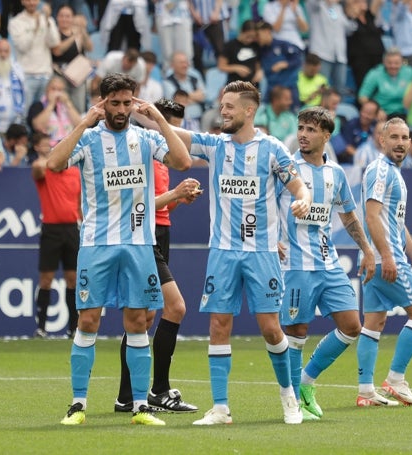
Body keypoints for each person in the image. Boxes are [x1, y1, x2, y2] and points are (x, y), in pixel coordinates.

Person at [47, 73, 192, 426]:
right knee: (89, 319)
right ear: (103, 103)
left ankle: (140, 406)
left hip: (139, 244)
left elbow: (183, 161)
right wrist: (83, 122)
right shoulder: (90, 139)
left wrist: (158, 118)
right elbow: (53, 163)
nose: (122, 109)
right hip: (97, 243)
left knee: (137, 321)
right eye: (115, 103)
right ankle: (78, 404)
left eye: (128, 103)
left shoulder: (144, 138)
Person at [170, 80, 312, 425]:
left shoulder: (273, 149)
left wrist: (304, 200)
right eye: (222, 107)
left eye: (230, 107)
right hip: (222, 251)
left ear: (249, 111)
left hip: (261, 252)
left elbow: (298, 185)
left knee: (270, 328)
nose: (223, 112)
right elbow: (177, 138)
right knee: (218, 324)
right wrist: (151, 117)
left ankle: (288, 397)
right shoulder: (216, 145)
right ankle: (220, 408)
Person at [278, 106, 375, 421]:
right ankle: (292, 402)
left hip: (328, 262)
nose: (303, 135)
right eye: (301, 128)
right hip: (295, 264)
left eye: (310, 129)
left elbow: (348, 216)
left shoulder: (335, 173)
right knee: (296, 333)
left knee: (351, 326)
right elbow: (262, 204)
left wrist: (368, 250)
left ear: (326, 135)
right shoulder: (286, 168)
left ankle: (306, 383)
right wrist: (271, 240)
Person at [115, 98, 200, 414]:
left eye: (177, 127)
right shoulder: (143, 152)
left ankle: (127, 396)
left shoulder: (163, 158)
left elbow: (159, 204)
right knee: (175, 307)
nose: (175, 134)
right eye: (170, 125)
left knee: (145, 318)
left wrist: (179, 199)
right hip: (143, 237)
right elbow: (140, 203)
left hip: (160, 233)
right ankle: (158, 390)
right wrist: (175, 194)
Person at [356, 117, 412, 407]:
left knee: (374, 321)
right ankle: (396, 380)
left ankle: (365, 391)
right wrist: (388, 256)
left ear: (410, 143)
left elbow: (395, 223)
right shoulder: (381, 171)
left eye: (405, 138)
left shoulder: (392, 173)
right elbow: (371, 216)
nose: (400, 143)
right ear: (381, 140)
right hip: (386, 259)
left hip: (379, 258)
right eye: (394, 137)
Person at [31, 131, 81, 338]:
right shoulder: (46, 171)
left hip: (71, 228)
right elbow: (37, 168)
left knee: (73, 279)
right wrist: (47, 152)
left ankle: (73, 328)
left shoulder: (75, 172)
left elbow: (79, 203)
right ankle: (41, 328)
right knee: (46, 279)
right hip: (51, 229)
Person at [8, 0, 60, 112]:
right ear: (22, 2)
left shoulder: (47, 19)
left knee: (44, 114)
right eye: (28, 0)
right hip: (26, 75)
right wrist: (35, 28)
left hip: (46, 75)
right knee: (23, 113)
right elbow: (23, 46)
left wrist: (46, 21)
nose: (32, 3)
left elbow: (55, 43)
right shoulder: (16, 22)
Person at [51, 5, 93, 113]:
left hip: (77, 76)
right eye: (62, 16)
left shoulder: (78, 33)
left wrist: (82, 30)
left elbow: (89, 47)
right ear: (57, 17)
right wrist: (73, 36)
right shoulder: (53, 32)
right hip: (59, 75)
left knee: (78, 106)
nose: (65, 19)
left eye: (68, 16)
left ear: (72, 18)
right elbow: (58, 50)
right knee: (60, 107)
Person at [358, 47, 412, 119]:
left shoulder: (409, 72)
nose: (393, 66)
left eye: (396, 63)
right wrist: (376, 110)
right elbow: (362, 97)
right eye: (389, 63)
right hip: (382, 114)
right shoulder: (375, 73)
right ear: (384, 62)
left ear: (402, 62)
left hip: (404, 113)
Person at [27, 75, 81, 147]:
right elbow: (38, 126)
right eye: (53, 89)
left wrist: (68, 104)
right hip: (48, 148)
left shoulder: (67, 106)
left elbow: (80, 124)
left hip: (69, 145)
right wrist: (51, 104)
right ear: (47, 90)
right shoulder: (38, 106)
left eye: (60, 90)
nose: (56, 93)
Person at [217, 19, 262, 86]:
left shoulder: (255, 45)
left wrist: (259, 71)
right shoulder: (230, 45)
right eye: (248, 36)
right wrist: (236, 68)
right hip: (235, 85)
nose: (250, 40)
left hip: (252, 85)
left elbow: (257, 63)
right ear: (241, 32)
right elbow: (221, 66)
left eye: (252, 37)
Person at [337, 99, 380, 165]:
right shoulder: (351, 124)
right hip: (352, 161)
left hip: (373, 160)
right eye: (363, 111)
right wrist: (362, 156)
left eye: (369, 114)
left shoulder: (377, 127)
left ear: (375, 116)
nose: (364, 115)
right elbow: (347, 147)